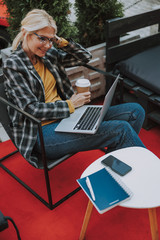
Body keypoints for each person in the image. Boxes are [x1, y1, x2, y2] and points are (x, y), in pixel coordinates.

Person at [3, 9, 145, 168]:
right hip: (42, 133)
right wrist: (71, 104)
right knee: (121, 129)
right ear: (26, 33)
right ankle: (143, 172)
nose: (47, 45)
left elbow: (84, 57)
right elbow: (32, 109)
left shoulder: (48, 55)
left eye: (51, 40)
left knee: (135, 111)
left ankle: (116, 166)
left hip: (69, 117)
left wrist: (60, 41)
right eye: (42, 39)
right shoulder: (13, 65)